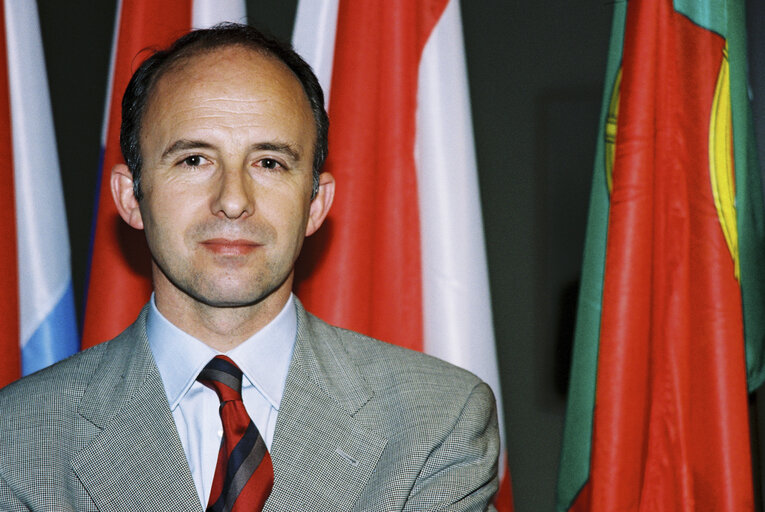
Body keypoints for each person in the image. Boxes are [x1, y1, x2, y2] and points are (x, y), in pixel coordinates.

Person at [0, 23, 499, 511]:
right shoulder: (16, 436)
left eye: (269, 163)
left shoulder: (440, 420)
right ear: (131, 197)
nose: (234, 201)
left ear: (316, 204)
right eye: (195, 160)